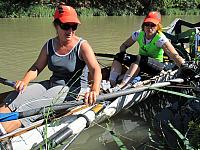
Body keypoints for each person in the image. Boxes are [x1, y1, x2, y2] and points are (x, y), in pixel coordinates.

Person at [0, 4, 102, 135]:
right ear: (56, 25)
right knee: (13, 97)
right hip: (52, 84)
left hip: (73, 91)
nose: (70, 30)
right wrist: (24, 81)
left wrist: (94, 90)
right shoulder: (49, 45)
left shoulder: (82, 46)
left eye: (74, 26)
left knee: (30, 107)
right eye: (66, 26)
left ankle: (5, 129)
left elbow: (96, 70)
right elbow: (36, 67)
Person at [109, 11, 185, 89]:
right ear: (143, 25)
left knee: (139, 58)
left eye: (153, 25)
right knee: (118, 56)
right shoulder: (138, 34)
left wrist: (184, 67)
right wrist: (123, 57)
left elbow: (174, 55)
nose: (149, 27)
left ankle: (121, 86)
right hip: (140, 62)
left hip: (157, 67)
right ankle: (112, 82)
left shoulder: (160, 39)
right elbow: (124, 46)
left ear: (158, 26)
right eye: (147, 24)